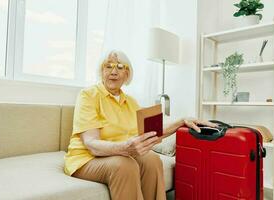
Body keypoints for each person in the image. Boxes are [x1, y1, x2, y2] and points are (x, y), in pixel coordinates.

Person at [64, 50, 217, 200]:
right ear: (102, 71)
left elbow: (152, 133)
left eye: (119, 67)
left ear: (127, 74)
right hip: (86, 158)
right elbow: (91, 144)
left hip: (117, 153)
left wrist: (181, 121)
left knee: (151, 159)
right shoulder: (88, 95)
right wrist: (125, 148)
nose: (114, 71)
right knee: (124, 165)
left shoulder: (131, 102)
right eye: (108, 66)